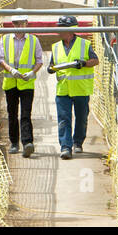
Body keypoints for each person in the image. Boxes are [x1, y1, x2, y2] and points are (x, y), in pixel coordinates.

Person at [49, 14, 98, 159]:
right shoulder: (56, 47)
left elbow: (95, 60)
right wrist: (51, 68)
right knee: (64, 118)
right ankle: (65, 147)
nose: (59, 31)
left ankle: (78, 142)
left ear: (71, 30)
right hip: (63, 89)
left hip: (80, 89)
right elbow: (52, 64)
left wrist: (83, 63)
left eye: (62, 28)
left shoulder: (84, 44)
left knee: (81, 117)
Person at [0, 14, 42, 158]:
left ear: (26, 23)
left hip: (26, 82)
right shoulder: (5, 39)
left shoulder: (33, 40)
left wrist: (32, 72)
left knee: (25, 114)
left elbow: (39, 60)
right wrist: (10, 70)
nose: (18, 26)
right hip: (10, 82)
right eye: (16, 23)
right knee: (12, 114)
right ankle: (14, 143)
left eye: (21, 23)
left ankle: (27, 142)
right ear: (12, 24)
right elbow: (0, 59)